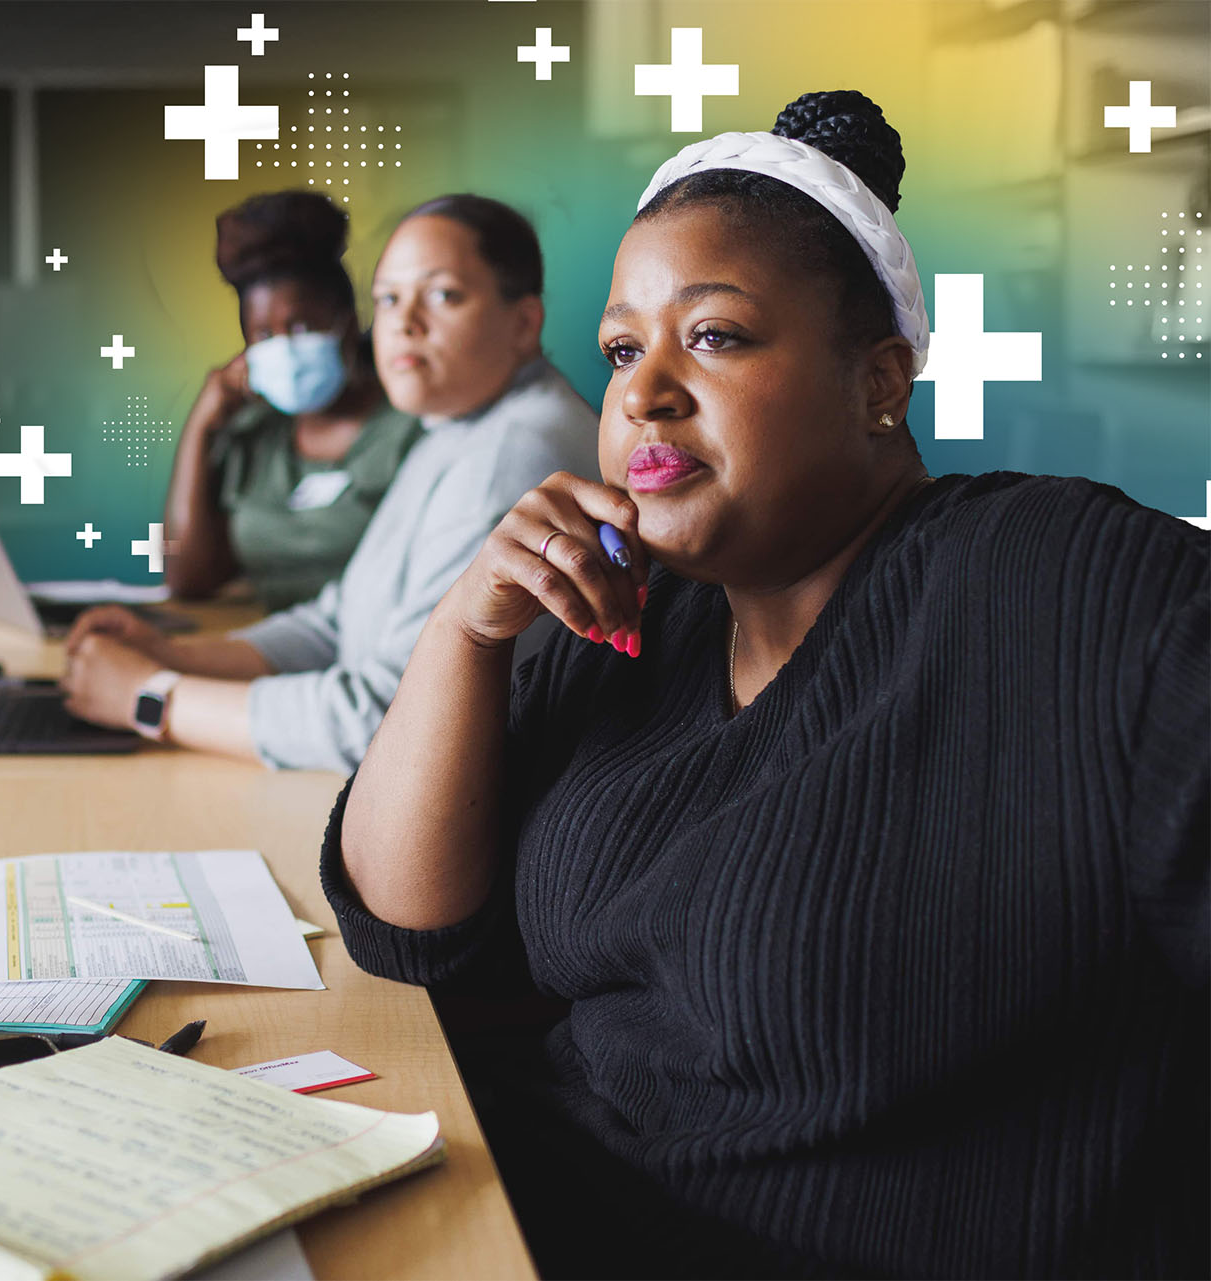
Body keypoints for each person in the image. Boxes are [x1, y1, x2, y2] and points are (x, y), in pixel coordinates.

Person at [325, 91, 1208, 1277]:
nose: (644, 393)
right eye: (625, 349)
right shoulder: (642, 617)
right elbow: (405, 926)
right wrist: (466, 634)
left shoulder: (1072, 587)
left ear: (880, 381)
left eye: (718, 336)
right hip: (505, 1216)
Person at [61, 195, 601, 772]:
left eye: (443, 295)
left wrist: (154, 697)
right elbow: (337, 620)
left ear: (523, 323)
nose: (404, 322)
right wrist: (171, 654)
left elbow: (396, 719)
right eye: (389, 299)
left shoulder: (512, 453)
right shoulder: (455, 426)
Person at [164, 191, 423, 610]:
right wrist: (200, 428)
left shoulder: (409, 427)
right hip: (263, 649)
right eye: (264, 335)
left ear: (347, 322)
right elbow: (188, 578)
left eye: (301, 326)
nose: (284, 348)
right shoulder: (254, 434)